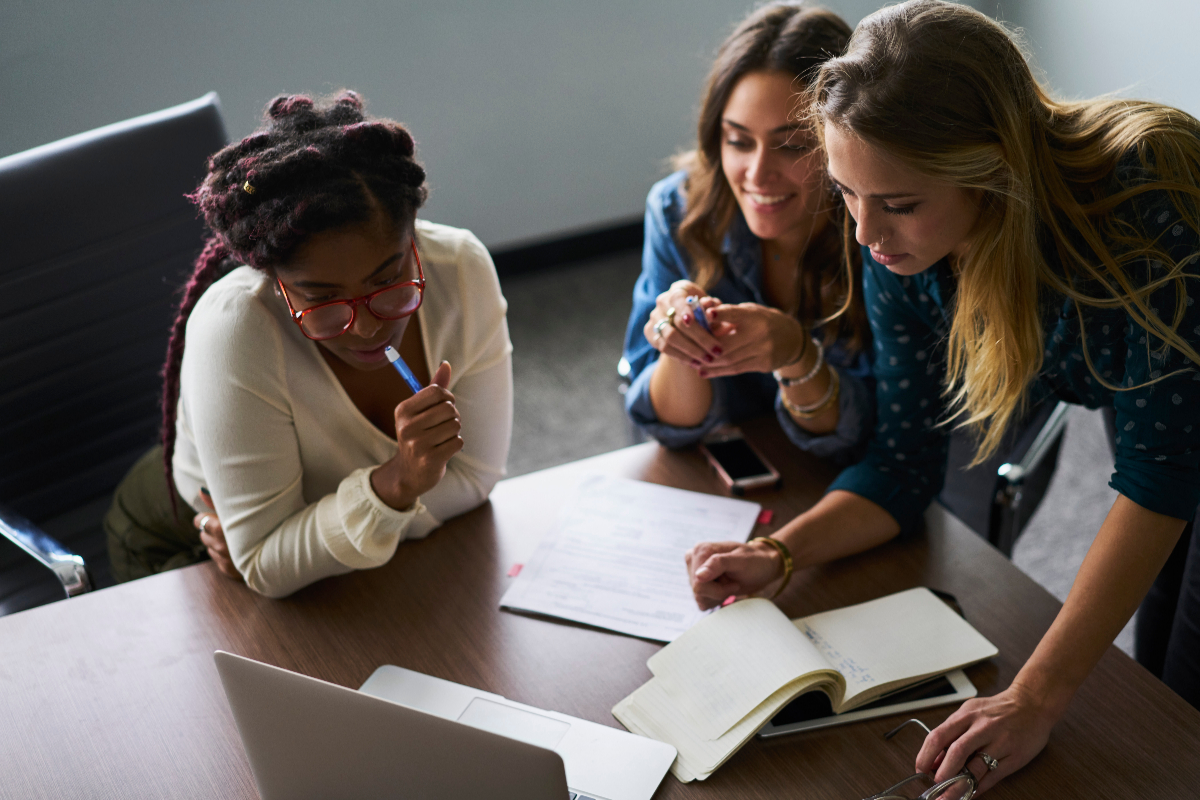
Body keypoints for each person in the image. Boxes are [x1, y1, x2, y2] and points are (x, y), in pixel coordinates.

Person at [685, 0, 1200, 793]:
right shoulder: (901, 250)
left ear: (993, 170)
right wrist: (780, 553)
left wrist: (1032, 697)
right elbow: (902, 464)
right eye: (848, 195)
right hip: (1178, 430)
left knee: (1182, 698)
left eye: (897, 203)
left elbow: (1162, 473)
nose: (865, 234)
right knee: (1160, 676)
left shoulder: (1145, 198)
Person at [104, 91, 513, 598]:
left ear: (414, 241)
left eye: (389, 281)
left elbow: (475, 480)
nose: (365, 328)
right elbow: (265, 564)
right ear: (275, 280)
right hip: (182, 537)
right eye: (322, 299)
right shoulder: (236, 328)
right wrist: (397, 486)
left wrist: (304, 548)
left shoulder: (460, 270)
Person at [622, 2, 873, 464]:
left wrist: (797, 354)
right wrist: (681, 345)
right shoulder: (679, 210)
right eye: (738, 141)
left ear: (843, 142)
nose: (757, 173)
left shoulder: (878, 229)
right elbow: (663, 427)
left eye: (792, 145)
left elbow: (871, 438)